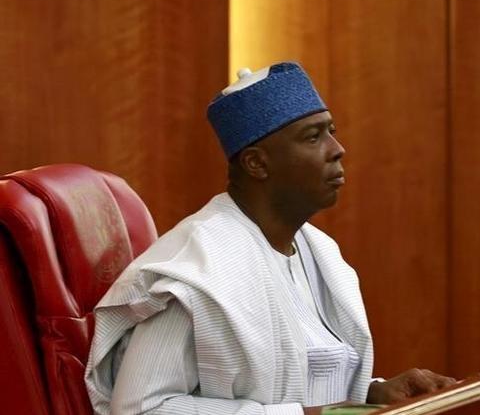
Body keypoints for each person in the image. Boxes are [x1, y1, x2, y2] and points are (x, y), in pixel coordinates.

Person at [84, 62, 455, 414]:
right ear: (257, 163)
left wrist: (374, 394)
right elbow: (140, 409)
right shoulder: (199, 273)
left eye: (331, 131)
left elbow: (301, 380)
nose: (336, 149)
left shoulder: (318, 251)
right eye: (312, 137)